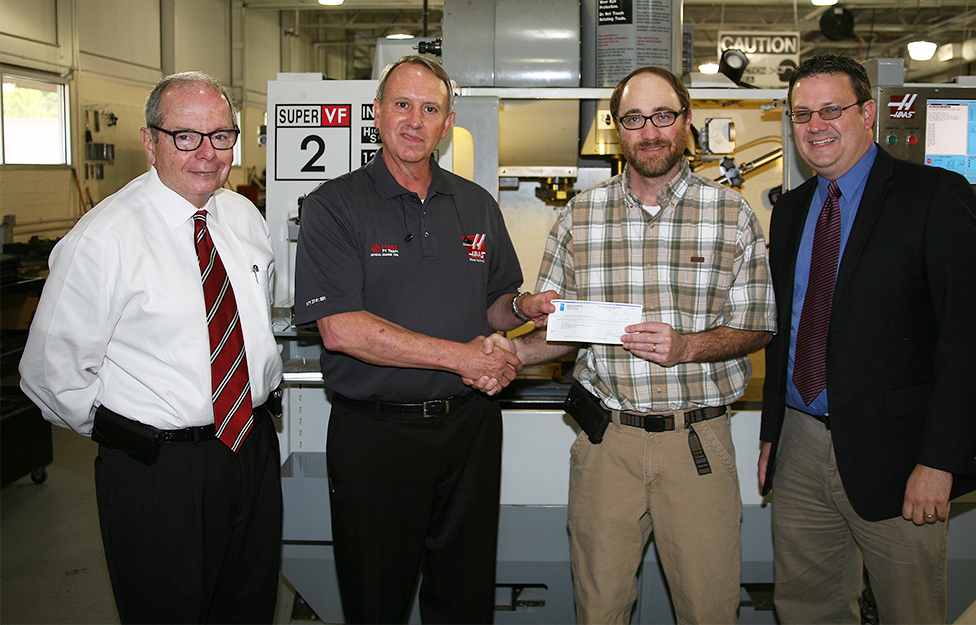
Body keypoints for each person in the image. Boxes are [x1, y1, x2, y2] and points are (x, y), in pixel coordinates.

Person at [494, 66, 776, 624]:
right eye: (634, 119)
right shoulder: (579, 216)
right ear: (616, 129)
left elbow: (759, 325)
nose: (649, 131)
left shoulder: (731, 215)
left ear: (687, 123)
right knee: (599, 609)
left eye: (663, 116)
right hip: (607, 445)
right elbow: (562, 329)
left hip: (696, 443)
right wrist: (508, 354)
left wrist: (687, 347)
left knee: (709, 610)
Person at [19, 71, 284, 624]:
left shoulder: (240, 217)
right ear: (150, 141)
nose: (207, 154)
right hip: (158, 471)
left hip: (250, 451)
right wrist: (132, 436)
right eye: (186, 136)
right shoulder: (103, 239)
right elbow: (49, 373)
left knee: (248, 607)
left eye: (222, 136)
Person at [292, 55, 548, 625]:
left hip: (469, 428)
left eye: (429, 109)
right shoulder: (334, 207)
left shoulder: (475, 203)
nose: (414, 120)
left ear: (448, 121)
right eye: (401, 105)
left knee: (464, 594)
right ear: (377, 115)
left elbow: (495, 303)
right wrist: (464, 358)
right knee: (376, 598)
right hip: (377, 434)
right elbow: (340, 329)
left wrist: (524, 307)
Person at [758, 53, 976, 624]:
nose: (815, 126)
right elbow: (784, 332)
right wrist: (774, 434)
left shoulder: (935, 196)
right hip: (801, 447)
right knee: (805, 608)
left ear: (868, 113)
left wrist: (940, 461)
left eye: (831, 110)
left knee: (908, 608)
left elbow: (968, 340)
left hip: (899, 454)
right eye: (801, 114)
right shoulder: (790, 212)